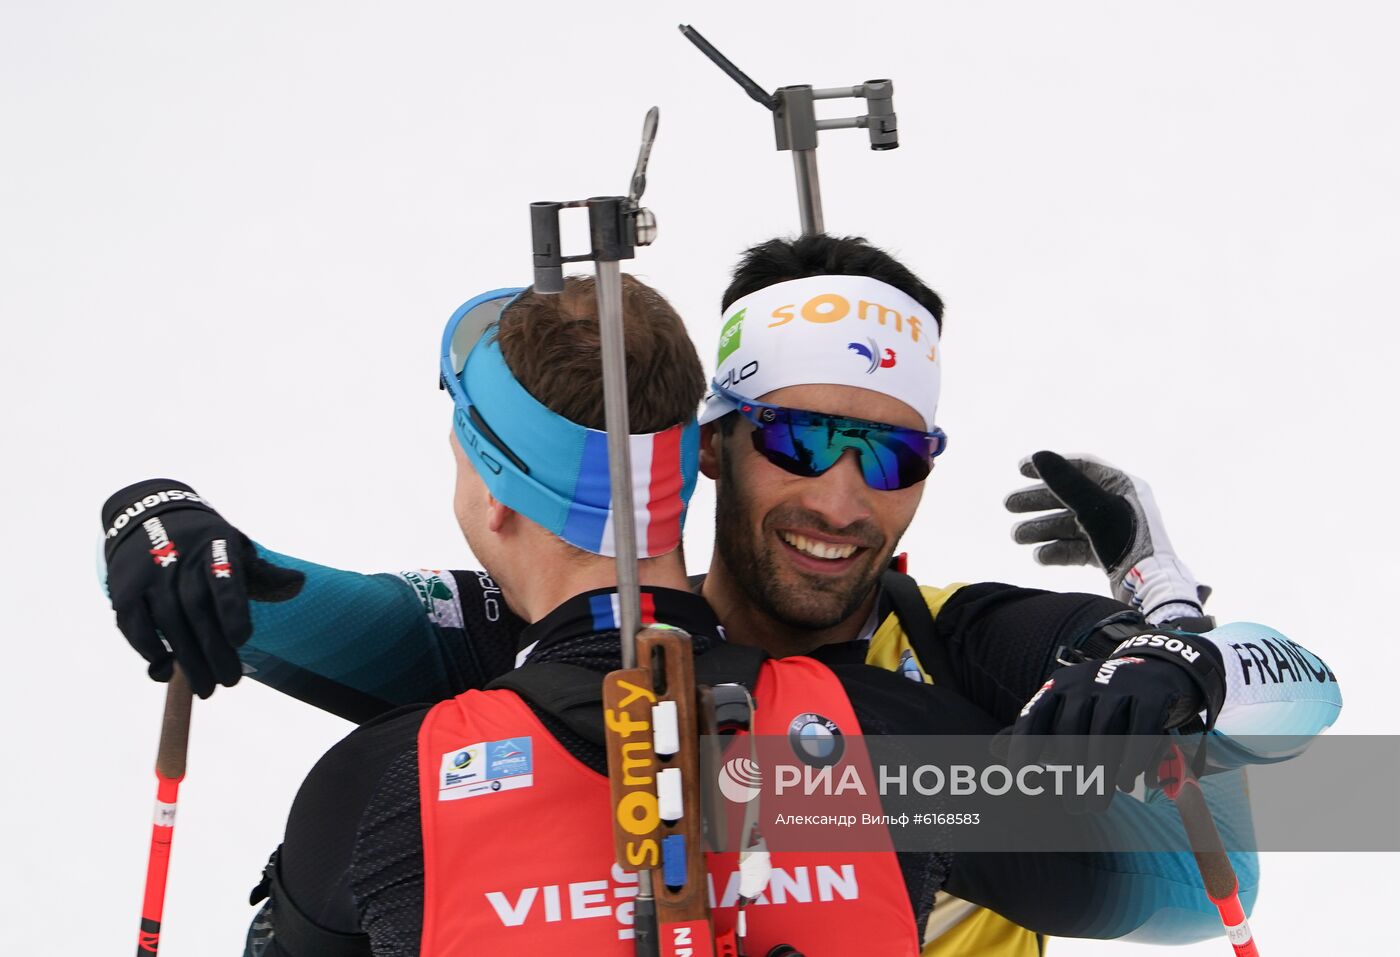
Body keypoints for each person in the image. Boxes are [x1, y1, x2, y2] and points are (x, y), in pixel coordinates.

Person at [99, 236, 1339, 954]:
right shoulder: (569, 633)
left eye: (893, 457)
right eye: (801, 443)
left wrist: (1173, 636)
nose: (845, 504)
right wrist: (163, 518)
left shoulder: (950, 641)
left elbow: (1256, 824)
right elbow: (291, 605)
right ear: (709, 445)